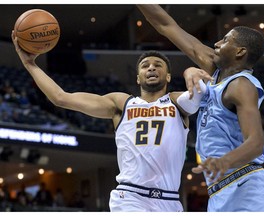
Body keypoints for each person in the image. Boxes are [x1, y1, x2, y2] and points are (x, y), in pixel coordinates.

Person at [12, 32, 212, 212]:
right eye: (145, 66)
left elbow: (198, 94)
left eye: (158, 65)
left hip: (169, 200)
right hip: (130, 197)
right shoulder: (121, 103)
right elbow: (61, 97)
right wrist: (30, 64)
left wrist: (190, 72)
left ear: (168, 76)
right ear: (137, 78)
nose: (151, 67)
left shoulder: (176, 102)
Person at [137, 4, 264, 212]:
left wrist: (224, 161)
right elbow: (165, 24)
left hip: (249, 188)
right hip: (218, 192)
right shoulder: (214, 70)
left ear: (240, 51)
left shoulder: (242, 86)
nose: (216, 43)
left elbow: (256, 144)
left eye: (225, 41)